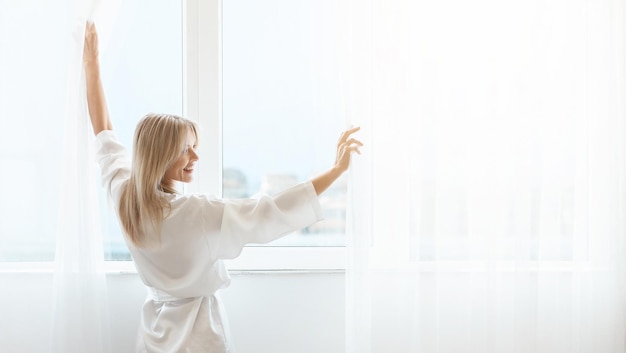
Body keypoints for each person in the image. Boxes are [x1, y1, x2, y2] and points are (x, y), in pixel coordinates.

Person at [83, 22, 362, 353]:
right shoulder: (197, 213)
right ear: (160, 156)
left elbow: (103, 131)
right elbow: (271, 211)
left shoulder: (124, 197)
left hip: (153, 334)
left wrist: (91, 66)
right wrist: (335, 170)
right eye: (186, 148)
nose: (195, 156)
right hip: (200, 336)